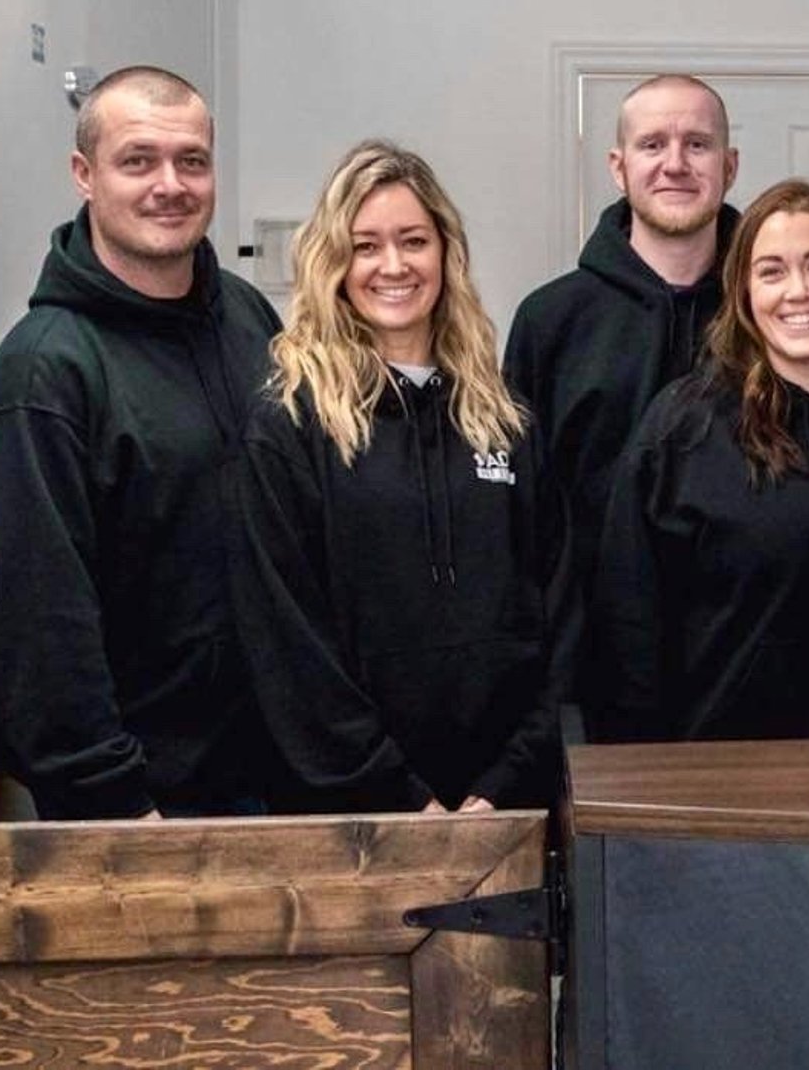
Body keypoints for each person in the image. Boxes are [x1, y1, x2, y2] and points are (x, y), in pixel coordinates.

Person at [0, 65, 281, 819]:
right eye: (137, 160)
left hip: (276, 776)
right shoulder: (42, 374)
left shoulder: (246, 318)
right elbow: (45, 623)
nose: (169, 185)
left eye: (192, 161)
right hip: (141, 804)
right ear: (85, 174)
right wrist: (113, 804)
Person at [233, 141, 573, 811]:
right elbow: (286, 641)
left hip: (505, 808)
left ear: (446, 253)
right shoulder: (291, 424)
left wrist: (503, 785)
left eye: (413, 240)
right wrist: (397, 797)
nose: (393, 265)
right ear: (334, 262)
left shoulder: (503, 419)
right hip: (353, 813)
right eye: (365, 246)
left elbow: (560, 618)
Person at [593, 179, 809, 740]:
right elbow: (627, 631)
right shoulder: (682, 429)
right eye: (771, 272)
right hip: (724, 773)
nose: (798, 291)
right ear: (741, 292)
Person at [504, 75, 739, 734]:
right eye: (653, 144)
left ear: (730, 165)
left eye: (698, 144)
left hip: (747, 668)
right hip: (589, 678)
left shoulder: (771, 313)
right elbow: (518, 513)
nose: (675, 163)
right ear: (618, 166)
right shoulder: (551, 321)